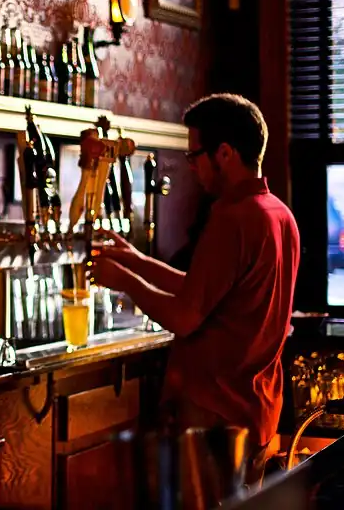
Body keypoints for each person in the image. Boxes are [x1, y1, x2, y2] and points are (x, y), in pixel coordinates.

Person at [91, 93, 300, 484]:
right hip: (257, 407)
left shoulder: (233, 218)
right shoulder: (277, 213)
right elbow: (208, 291)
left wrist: (126, 282)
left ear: (224, 153)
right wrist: (137, 260)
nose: (192, 167)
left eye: (195, 156)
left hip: (215, 409)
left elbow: (186, 318)